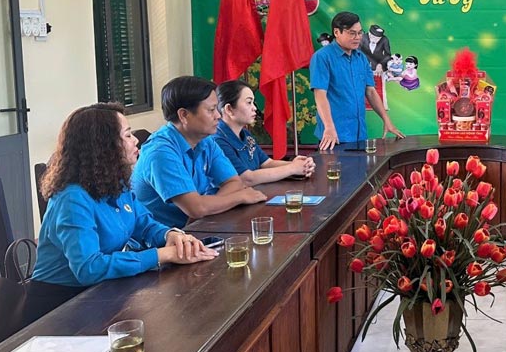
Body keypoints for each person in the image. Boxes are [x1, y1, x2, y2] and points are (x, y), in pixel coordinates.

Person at [24, 103, 217, 327]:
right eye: (127, 135)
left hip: (100, 294)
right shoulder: (72, 198)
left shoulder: (115, 182)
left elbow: (142, 223)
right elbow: (89, 268)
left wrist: (170, 235)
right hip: (60, 308)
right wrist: (162, 255)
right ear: (103, 146)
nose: (136, 140)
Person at [132, 76, 267, 227]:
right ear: (184, 115)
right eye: (211, 110)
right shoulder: (160, 152)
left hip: (199, 229)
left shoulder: (206, 140)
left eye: (216, 108)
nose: (218, 115)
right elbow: (195, 208)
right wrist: (239, 197)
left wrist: (207, 208)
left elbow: (233, 182)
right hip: (163, 243)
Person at [310, 11, 405, 150]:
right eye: (352, 33)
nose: (357, 38)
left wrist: (387, 120)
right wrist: (329, 127)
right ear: (337, 32)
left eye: (360, 33)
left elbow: (371, 92)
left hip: (360, 136)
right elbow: (320, 95)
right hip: (334, 137)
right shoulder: (322, 57)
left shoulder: (361, 58)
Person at [213, 80, 315, 184]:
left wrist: (299, 165)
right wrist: (292, 168)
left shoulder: (245, 134)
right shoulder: (218, 141)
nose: (255, 108)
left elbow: (266, 163)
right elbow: (246, 178)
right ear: (229, 109)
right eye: (249, 102)